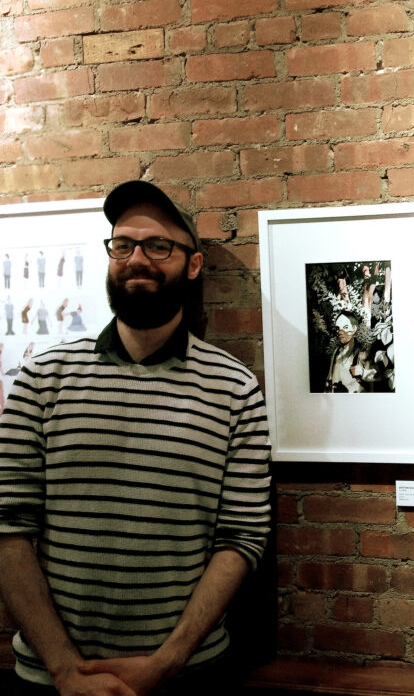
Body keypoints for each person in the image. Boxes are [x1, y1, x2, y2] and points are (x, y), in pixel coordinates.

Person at [0, 180, 272, 696]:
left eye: (158, 246)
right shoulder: (42, 378)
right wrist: (63, 668)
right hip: (50, 678)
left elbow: (242, 537)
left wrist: (166, 663)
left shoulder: (234, 389)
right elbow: (7, 527)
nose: (136, 259)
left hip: (186, 676)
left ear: (193, 264)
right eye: (122, 245)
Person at [325, 311, 379, 393]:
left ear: (354, 329)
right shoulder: (337, 352)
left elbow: (378, 376)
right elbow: (329, 379)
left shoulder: (362, 352)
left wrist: (363, 372)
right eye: (338, 328)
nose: (340, 332)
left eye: (346, 327)